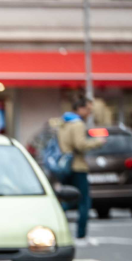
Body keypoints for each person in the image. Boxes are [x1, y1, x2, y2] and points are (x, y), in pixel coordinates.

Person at [52, 95, 105, 244]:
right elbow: (80, 145)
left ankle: (54, 223)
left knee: (68, 198)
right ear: (80, 108)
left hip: (65, 167)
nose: (89, 113)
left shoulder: (63, 123)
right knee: (84, 201)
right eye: (88, 110)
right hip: (77, 166)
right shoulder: (77, 124)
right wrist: (97, 142)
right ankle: (81, 234)